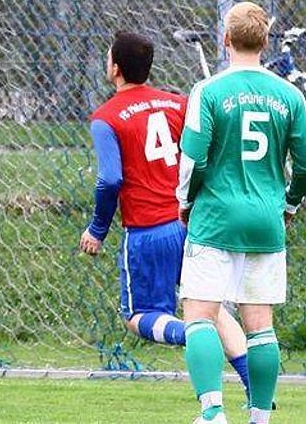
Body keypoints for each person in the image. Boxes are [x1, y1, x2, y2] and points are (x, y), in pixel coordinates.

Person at [80, 31, 251, 396]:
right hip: (190, 225)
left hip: (147, 232)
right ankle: (258, 394)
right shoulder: (179, 104)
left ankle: (192, 334)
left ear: (115, 69)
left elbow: (110, 179)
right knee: (214, 309)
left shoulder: (106, 117)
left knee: (138, 316)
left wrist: (97, 229)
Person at [177, 2, 306, 424]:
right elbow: (303, 166)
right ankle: (259, 418)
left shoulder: (209, 91)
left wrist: (185, 202)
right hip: (266, 220)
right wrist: (288, 205)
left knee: (199, 315)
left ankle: (213, 412)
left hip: (215, 217)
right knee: (260, 324)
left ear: (225, 40)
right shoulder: (291, 95)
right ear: (266, 41)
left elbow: (192, 160)